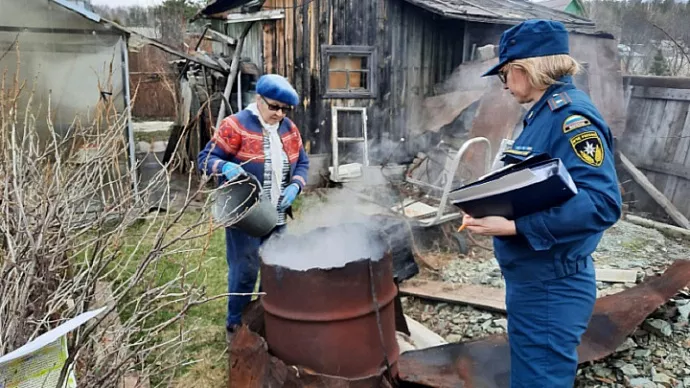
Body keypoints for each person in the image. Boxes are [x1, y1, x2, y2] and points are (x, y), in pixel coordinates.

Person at [462, 20, 622, 387]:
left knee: (540, 379)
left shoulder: (570, 118)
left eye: (505, 74)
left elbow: (602, 203)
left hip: (551, 285)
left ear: (526, 68)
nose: (503, 84)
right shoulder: (542, 112)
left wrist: (516, 226)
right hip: (534, 277)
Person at [197, 74, 309, 343]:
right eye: (274, 107)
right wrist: (224, 166)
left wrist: (295, 186)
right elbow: (205, 158)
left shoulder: (289, 129)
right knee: (245, 270)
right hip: (245, 215)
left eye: (285, 109)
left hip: (278, 214)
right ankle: (235, 326)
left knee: (274, 268)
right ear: (258, 100)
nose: (279, 114)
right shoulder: (234, 126)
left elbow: (303, 163)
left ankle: (265, 320)